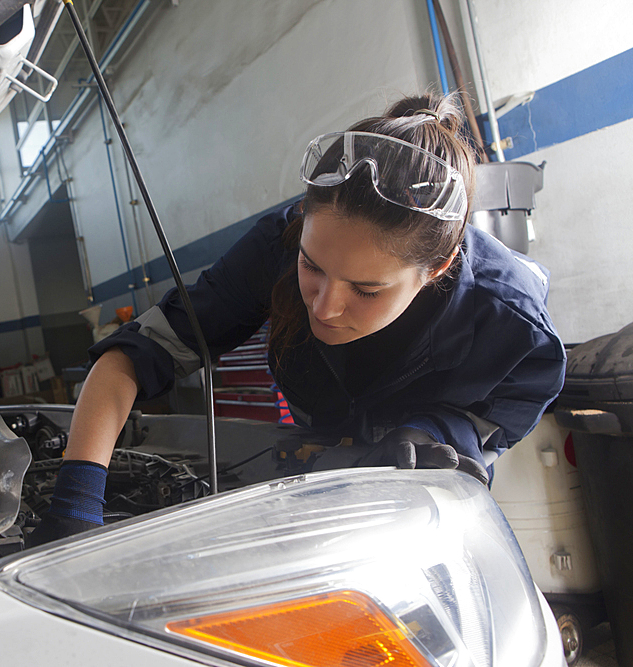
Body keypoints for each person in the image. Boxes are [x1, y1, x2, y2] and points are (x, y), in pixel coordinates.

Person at [29, 93, 566, 546]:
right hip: (315, 474)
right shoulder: (276, 246)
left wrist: (436, 430)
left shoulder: (511, 320)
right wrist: (77, 500)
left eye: (367, 289)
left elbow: (496, 418)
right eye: (313, 267)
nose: (325, 307)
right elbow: (135, 355)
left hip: (427, 513)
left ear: (437, 268)